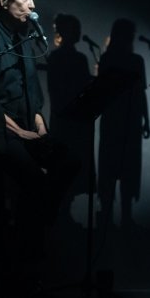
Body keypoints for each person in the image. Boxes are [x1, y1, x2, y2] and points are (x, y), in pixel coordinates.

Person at [0, 0, 81, 296]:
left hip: (27, 130)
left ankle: (31, 230)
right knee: (34, 180)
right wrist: (19, 132)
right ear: (4, 1)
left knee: (70, 162)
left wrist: (39, 123)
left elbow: (32, 90)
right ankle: (26, 254)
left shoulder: (24, 39)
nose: (32, 5)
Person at [96, 18, 150, 232]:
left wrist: (145, 119)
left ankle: (110, 218)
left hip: (115, 120)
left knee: (112, 169)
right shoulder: (135, 60)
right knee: (127, 169)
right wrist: (146, 120)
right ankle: (124, 218)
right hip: (128, 120)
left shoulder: (108, 58)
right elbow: (140, 93)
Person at [46, 13, 95, 227]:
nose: (79, 33)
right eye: (75, 28)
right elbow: (57, 90)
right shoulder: (61, 58)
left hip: (72, 120)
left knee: (70, 165)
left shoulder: (72, 58)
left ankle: (64, 213)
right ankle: (61, 213)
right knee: (65, 164)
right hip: (67, 120)